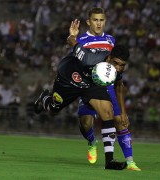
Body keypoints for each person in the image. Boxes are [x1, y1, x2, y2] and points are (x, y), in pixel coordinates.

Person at [34, 19, 127, 170]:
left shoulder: (113, 72)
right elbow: (71, 42)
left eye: (121, 65)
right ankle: (44, 98)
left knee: (107, 112)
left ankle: (109, 160)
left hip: (91, 84)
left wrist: (122, 112)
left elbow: (119, 86)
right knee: (53, 110)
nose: (117, 68)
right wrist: (72, 35)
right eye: (115, 63)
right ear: (109, 58)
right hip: (69, 80)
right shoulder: (89, 57)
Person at [76, 7, 141, 171]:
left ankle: (130, 161)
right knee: (85, 123)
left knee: (120, 120)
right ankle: (92, 141)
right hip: (88, 87)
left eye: (101, 20)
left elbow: (115, 66)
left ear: (105, 21)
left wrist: (123, 108)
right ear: (89, 21)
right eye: (95, 20)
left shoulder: (111, 40)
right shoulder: (81, 39)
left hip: (108, 87)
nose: (98, 24)